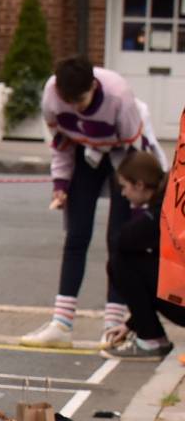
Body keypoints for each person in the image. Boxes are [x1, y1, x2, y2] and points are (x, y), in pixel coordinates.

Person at [21, 58, 158, 349]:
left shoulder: (119, 96)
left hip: (124, 154)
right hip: (86, 153)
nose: (76, 108)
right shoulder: (52, 94)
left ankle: (114, 322)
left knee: (119, 240)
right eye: (68, 102)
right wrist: (60, 185)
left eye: (80, 101)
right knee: (76, 235)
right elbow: (60, 143)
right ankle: (62, 323)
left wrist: (137, 200)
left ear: (93, 87)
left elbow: (136, 151)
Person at [105, 150, 179, 360]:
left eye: (125, 186)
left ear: (139, 184)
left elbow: (123, 240)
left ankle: (151, 339)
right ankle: (151, 335)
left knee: (121, 261)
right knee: (138, 259)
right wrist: (132, 323)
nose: (123, 194)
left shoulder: (163, 209)